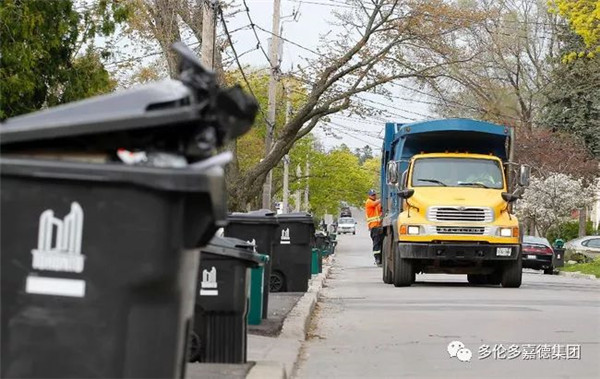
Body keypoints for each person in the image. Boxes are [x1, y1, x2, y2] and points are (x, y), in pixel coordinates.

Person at [365, 189, 383, 265]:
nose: (374, 196)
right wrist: (382, 199)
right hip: (373, 227)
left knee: (379, 243)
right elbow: (374, 204)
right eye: (372, 195)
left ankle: (380, 258)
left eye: (375, 194)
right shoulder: (368, 202)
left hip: (379, 226)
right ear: (369, 196)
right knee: (376, 244)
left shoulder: (377, 204)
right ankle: (377, 259)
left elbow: (380, 211)